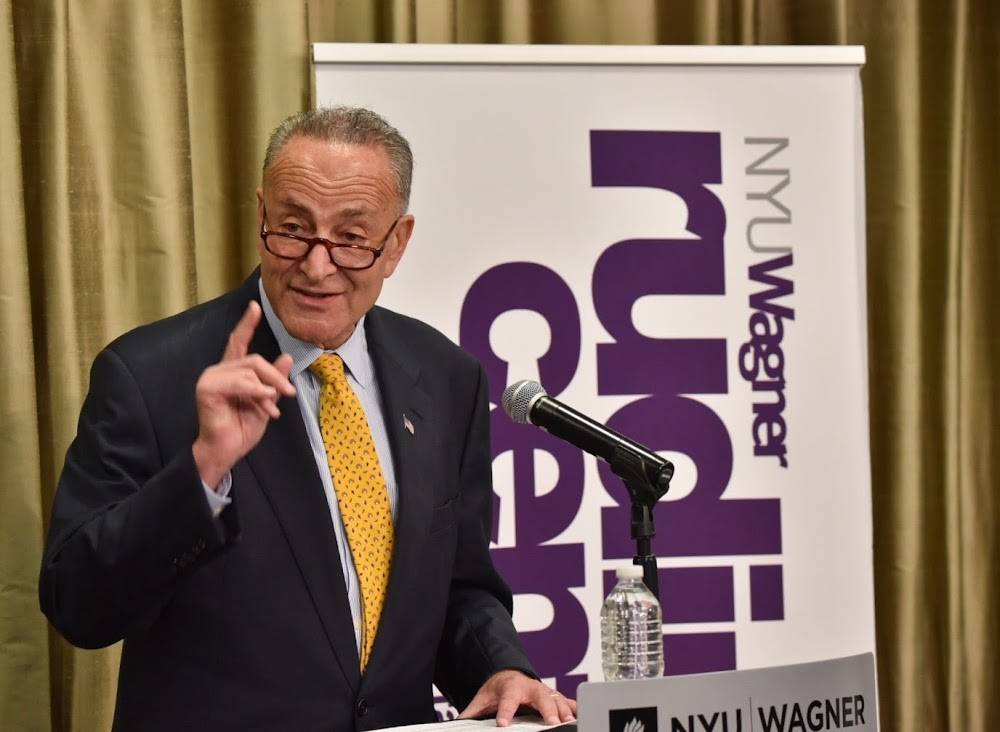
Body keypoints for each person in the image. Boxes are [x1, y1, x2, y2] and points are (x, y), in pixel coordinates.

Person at [39, 106, 576, 731]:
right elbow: (78, 607)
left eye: (351, 238)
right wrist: (202, 471)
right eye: (293, 228)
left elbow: (458, 587)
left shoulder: (446, 377)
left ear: (397, 243)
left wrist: (499, 669)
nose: (317, 267)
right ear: (261, 215)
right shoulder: (149, 374)